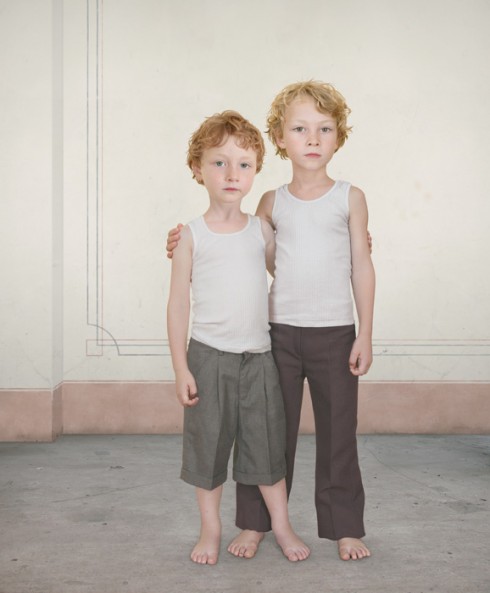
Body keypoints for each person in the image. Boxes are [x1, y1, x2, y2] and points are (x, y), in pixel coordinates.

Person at [167, 81, 375, 562]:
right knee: (266, 435)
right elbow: (244, 254)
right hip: (276, 336)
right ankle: (256, 523)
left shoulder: (350, 198)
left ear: (339, 137)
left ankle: (345, 527)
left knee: (338, 435)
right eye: (300, 129)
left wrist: (365, 331)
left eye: (324, 129)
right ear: (280, 138)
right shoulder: (269, 204)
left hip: (336, 333)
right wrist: (181, 244)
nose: (313, 138)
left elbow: (362, 265)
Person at [167, 110, 310, 566]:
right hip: (208, 358)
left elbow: (291, 268)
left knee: (266, 447)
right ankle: (210, 528)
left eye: (244, 164)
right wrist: (181, 368)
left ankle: (281, 525)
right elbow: (178, 305)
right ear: (197, 169)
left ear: (255, 171)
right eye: (219, 163)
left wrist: (354, 243)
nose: (232, 174)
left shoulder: (260, 230)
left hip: (259, 359)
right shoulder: (190, 236)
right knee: (207, 447)